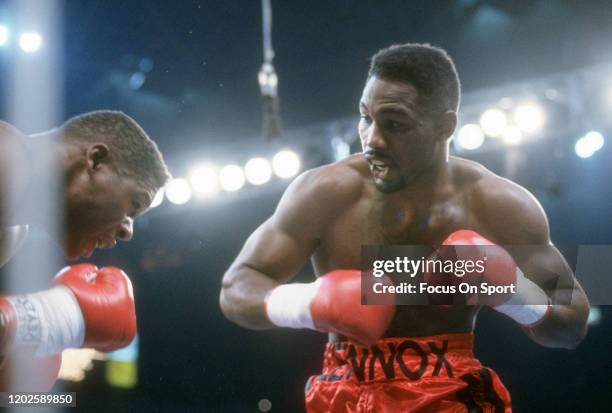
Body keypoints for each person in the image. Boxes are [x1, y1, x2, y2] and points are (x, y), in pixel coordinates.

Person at [220, 44, 590, 412]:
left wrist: (514, 293)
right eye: (366, 118)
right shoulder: (324, 192)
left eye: (394, 124)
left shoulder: (500, 205)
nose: (371, 140)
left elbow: (574, 323)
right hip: (344, 395)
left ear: (445, 126)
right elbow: (236, 287)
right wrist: (306, 303)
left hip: (450, 396)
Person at [0, 110, 170, 391]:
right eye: (135, 204)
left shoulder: (10, 235)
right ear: (96, 160)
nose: (128, 231)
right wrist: (41, 318)